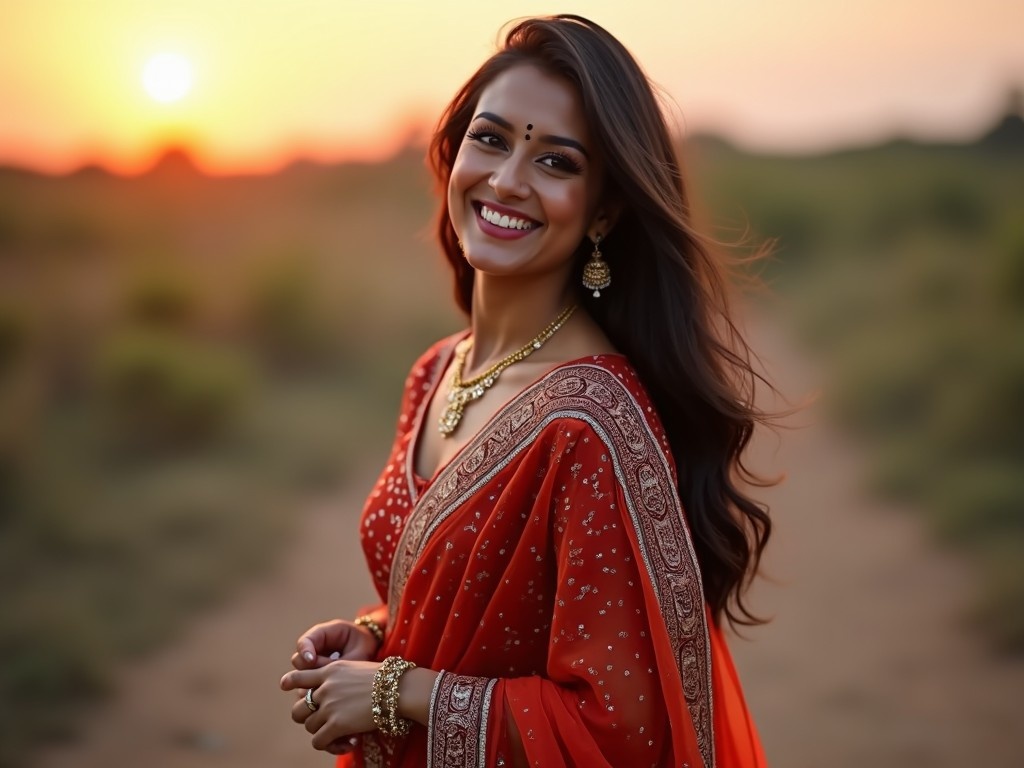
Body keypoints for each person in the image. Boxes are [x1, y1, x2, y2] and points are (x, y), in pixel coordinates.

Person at [280, 14, 771, 768]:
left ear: (603, 211)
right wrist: (376, 636)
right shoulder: (438, 368)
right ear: (454, 155)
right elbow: (484, 613)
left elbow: (622, 729)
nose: (507, 180)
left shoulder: (593, 426)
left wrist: (394, 694)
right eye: (492, 138)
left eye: (557, 162)